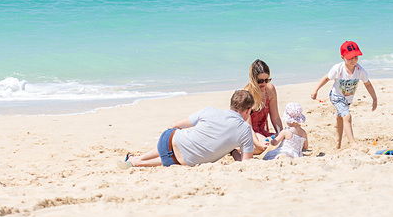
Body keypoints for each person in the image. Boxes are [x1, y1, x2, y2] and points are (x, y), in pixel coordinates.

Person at [118, 90, 256, 168]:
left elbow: (176, 125)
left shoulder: (209, 111)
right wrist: (232, 152)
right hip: (184, 161)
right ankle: (137, 162)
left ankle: (137, 158)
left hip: (170, 141)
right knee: (176, 157)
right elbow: (245, 163)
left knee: (175, 140)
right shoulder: (244, 130)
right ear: (248, 110)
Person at [311, 40, 378, 148]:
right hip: (336, 97)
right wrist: (315, 90)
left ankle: (337, 144)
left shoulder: (360, 70)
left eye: (356, 57)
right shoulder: (338, 69)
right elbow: (326, 78)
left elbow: (368, 84)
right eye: (350, 57)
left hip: (347, 100)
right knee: (347, 116)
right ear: (343, 57)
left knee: (340, 118)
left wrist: (374, 98)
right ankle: (353, 143)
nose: (353, 60)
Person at [243, 59, 283, 155]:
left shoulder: (270, 90)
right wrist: (258, 144)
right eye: (260, 81)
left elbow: (275, 117)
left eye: (267, 80)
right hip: (249, 133)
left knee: (287, 139)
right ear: (253, 79)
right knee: (263, 147)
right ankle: (235, 150)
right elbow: (248, 127)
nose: (264, 84)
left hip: (262, 132)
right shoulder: (246, 95)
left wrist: (281, 133)